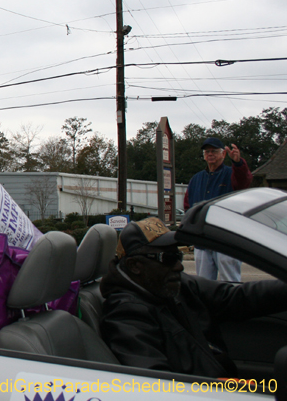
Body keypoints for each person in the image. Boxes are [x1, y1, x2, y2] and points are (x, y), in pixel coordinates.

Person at [100, 217, 287, 377]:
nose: (178, 266)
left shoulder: (177, 285)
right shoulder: (126, 314)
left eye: (178, 256)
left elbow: (237, 297)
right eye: (167, 258)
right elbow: (155, 384)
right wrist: (214, 390)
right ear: (135, 266)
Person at [184, 137, 252, 282]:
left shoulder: (232, 173)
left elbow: (244, 180)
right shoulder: (196, 179)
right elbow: (188, 207)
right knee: (203, 284)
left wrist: (238, 163)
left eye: (214, 151)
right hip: (202, 240)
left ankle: (234, 305)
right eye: (207, 151)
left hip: (226, 240)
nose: (210, 154)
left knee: (231, 282)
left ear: (223, 154)